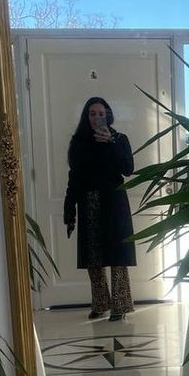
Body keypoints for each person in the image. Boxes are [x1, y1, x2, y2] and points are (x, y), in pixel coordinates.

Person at [64, 97, 136, 322]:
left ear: (108, 115)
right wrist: (69, 212)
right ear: (86, 116)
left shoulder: (120, 139)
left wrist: (111, 143)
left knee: (117, 254)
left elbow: (128, 169)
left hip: (114, 202)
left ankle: (120, 305)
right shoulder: (79, 142)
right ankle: (101, 303)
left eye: (101, 113)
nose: (96, 117)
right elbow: (74, 178)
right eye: (92, 113)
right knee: (93, 256)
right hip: (89, 203)